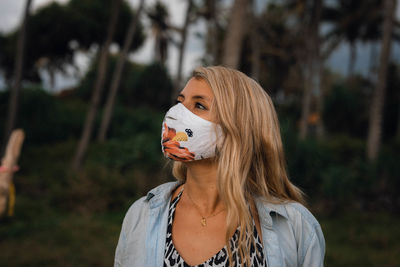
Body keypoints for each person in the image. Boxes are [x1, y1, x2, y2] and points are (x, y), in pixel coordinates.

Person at [114, 66, 325, 267]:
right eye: (180, 101)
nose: (175, 114)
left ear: (238, 127)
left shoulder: (295, 226)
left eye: (199, 105)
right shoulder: (142, 214)